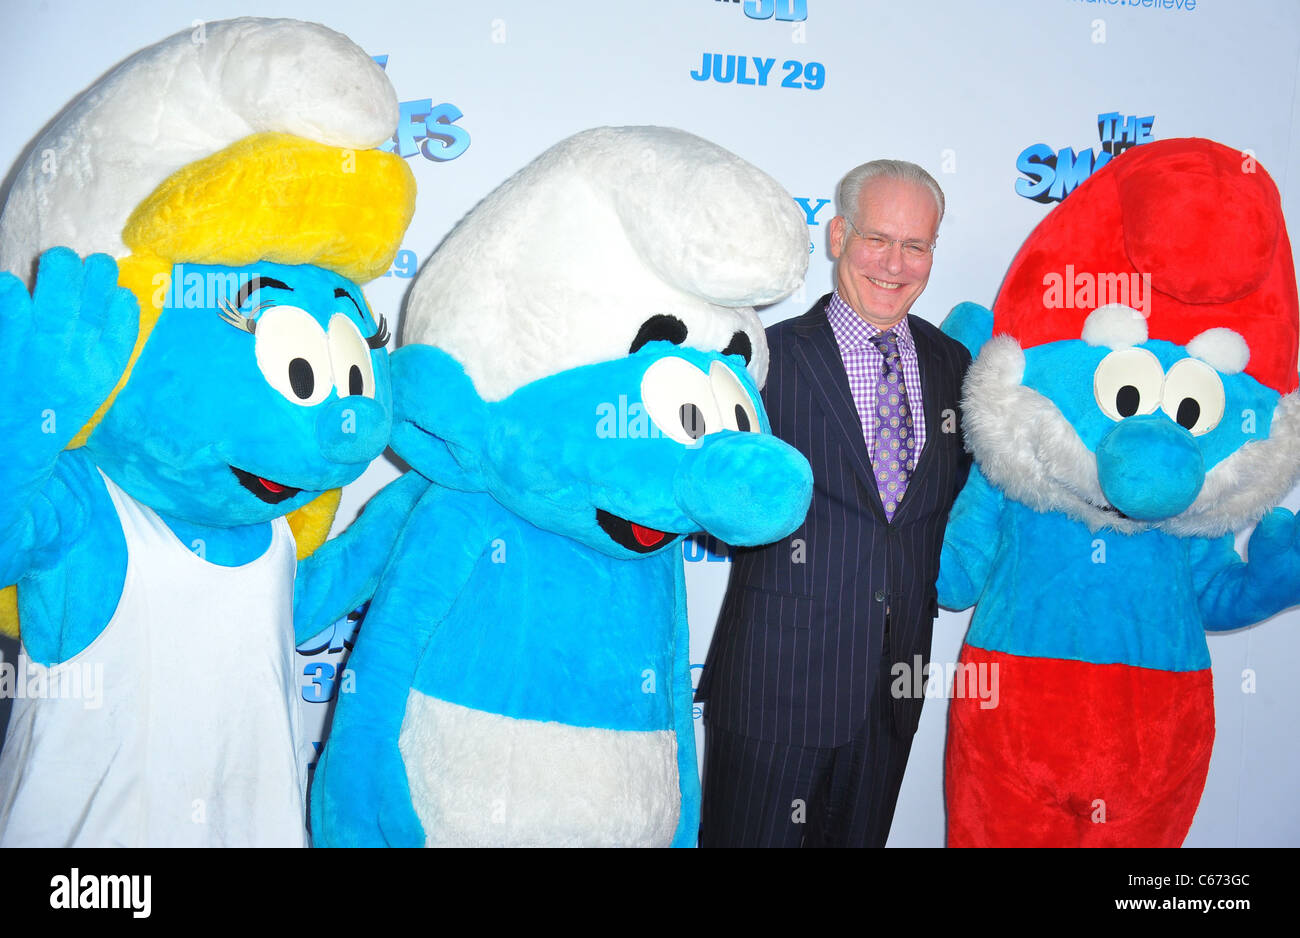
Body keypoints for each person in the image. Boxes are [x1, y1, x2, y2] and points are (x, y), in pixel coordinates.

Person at [696, 159, 972, 847]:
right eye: (879, 238)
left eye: (918, 246)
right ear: (838, 233)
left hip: (892, 695)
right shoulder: (763, 360)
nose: (896, 264)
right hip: (775, 693)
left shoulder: (955, 369)